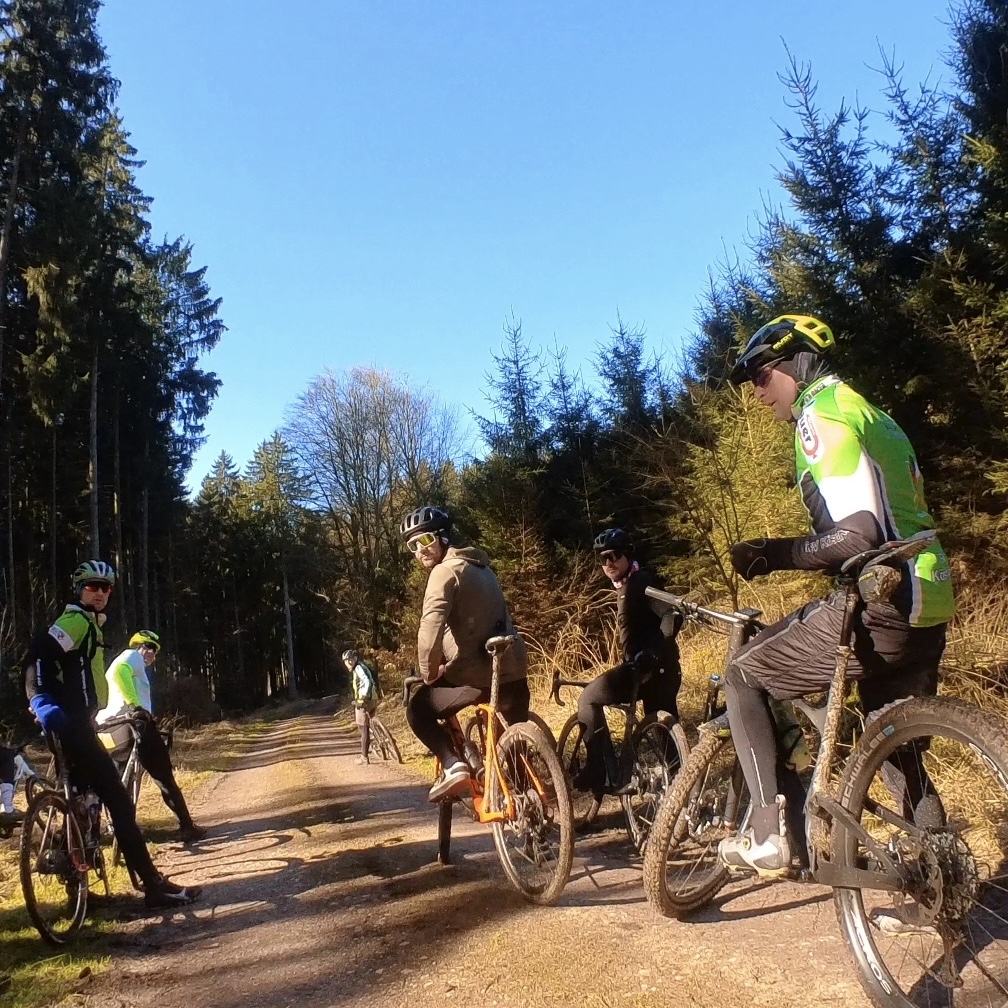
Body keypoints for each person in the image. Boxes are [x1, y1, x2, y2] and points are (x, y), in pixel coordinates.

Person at [717, 313, 955, 876]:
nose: (757, 392)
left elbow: (858, 534)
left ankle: (769, 834)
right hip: (929, 596)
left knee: (742, 675)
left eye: (762, 375)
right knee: (893, 747)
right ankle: (941, 880)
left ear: (797, 364)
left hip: (882, 601)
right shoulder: (872, 412)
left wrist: (771, 553)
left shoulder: (819, 415)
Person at [24, 560, 201, 907]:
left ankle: (79, 891)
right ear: (79, 590)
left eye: (106, 587)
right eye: (92, 586)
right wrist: (41, 700)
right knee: (119, 802)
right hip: (71, 725)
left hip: (75, 723)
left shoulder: (91, 624)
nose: (100, 593)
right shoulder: (76, 621)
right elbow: (37, 656)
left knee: (81, 802)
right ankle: (153, 885)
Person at [399, 506, 530, 801]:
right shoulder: (484, 568)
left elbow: (430, 627)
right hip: (514, 672)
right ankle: (530, 805)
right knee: (515, 755)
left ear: (443, 537)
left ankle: (452, 764)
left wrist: (429, 672)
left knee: (418, 710)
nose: (419, 550)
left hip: (476, 677)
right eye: (412, 545)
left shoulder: (444, 571)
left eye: (425, 540)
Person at [572, 528, 683, 794]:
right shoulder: (629, 584)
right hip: (662, 670)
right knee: (667, 739)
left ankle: (599, 769)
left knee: (588, 698)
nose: (608, 562)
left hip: (649, 669)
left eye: (614, 555)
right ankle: (682, 794)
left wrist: (653, 652)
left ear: (628, 554)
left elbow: (673, 615)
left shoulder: (641, 582)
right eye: (602, 558)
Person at [96, 630, 207, 843]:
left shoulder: (117, 661)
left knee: (119, 779)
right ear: (143, 647)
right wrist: (136, 706)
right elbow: (121, 672)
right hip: (136, 724)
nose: (153, 657)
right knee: (164, 776)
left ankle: (117, 828)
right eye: (153, 650)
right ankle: (187, 826)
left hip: (113, 727)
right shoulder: (132, 656)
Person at [342, 648, 379, 765]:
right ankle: (382, 738)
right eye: (346, 660)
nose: (348, 662)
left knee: (363, 727)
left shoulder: (358, 668)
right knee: (370, 720)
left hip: (365, 700)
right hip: (373, 698)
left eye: (350, 659)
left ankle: (364, 756)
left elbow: (367, 681)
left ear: (355, 658)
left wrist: (363, 697)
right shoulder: (362, 666)